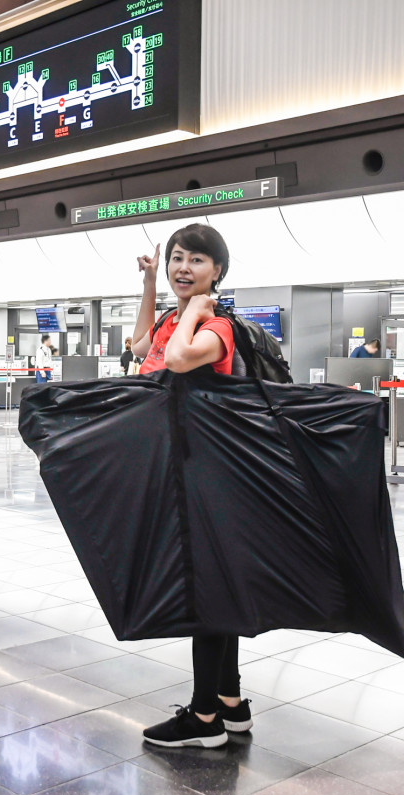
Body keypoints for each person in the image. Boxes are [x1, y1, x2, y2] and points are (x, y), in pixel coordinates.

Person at [129, 223, 251, 749]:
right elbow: (141, 348)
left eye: (196, 260)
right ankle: (230, 702)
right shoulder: (173, 320)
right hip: (180, 469)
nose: (185, 267)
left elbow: (178, 361)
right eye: (177, 257)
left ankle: (203, 720)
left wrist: (198, 312)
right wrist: (152, 283)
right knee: (214, 585)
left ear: (217, 271)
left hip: (209, 474)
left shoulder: (216, 327)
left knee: (206, 591)